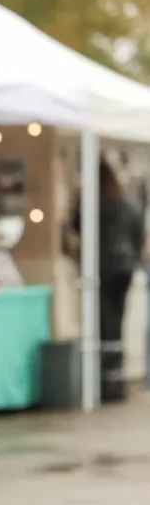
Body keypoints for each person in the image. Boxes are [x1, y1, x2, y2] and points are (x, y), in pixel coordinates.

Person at [71, 159, 145, 401]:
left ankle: (102, 382)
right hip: (124, 269)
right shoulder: (125, 203)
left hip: (101, 268)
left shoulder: (92, 205)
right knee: (117, 324)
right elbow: (138, 235)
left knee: (101, 324)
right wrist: (131, 258)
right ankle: (115, 381)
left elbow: (75, 227)